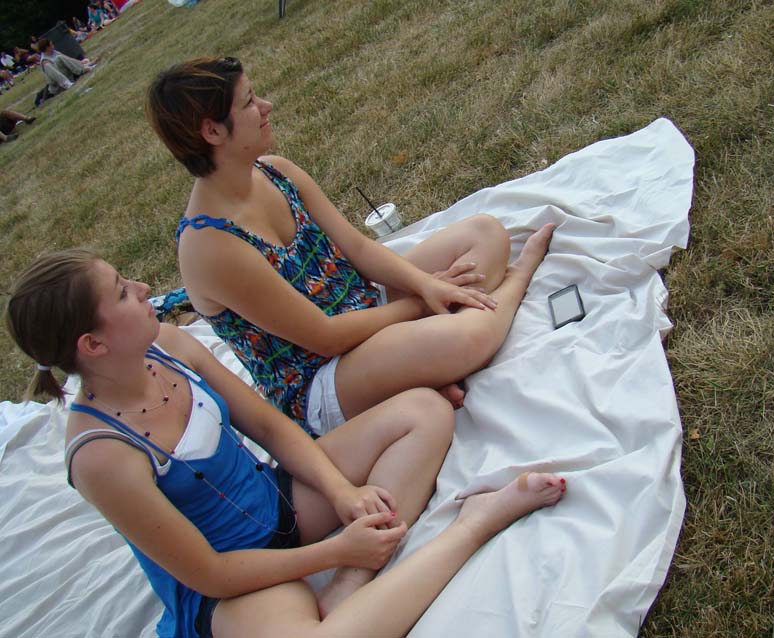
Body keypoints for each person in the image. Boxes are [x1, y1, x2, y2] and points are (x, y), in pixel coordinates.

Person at [4, 249, 566, 638]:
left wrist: (341, 493)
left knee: (424, 410)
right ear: (93, 345)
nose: (144, 288)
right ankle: (476, 524)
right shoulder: (99, 454)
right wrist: (335, 551)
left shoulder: (170, 345)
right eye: (123, 292)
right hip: (232, 588)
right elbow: (208, 573)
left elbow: (270, 428)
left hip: (277, 502)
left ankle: (350, 588)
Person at [147, 56, 558, 437]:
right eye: (250, 102)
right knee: (465, 338)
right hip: (323, 377)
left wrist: (425, 283)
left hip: (364, 307)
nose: (267, 106)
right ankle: (514, 283)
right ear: (213, 131)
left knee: (485, 233)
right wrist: (423, 300)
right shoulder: (211, 247)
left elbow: (358, 250)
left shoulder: (275, 172)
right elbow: (324, 337)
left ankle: (421, 370)